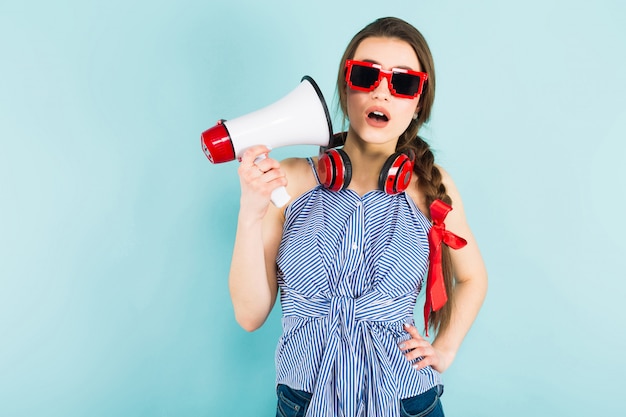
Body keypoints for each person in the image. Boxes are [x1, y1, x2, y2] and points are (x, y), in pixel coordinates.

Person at [228, 16, 488, 417]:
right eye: (366, 75)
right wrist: (250, 212)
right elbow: (249, 315)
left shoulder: (432, 187)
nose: (381, 91)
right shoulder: (290, 180)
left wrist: (446, 347)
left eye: (402, 83)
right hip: (304, 402)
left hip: (406, 401)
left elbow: (473, 277)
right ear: (345, 85)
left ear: (419, 101)